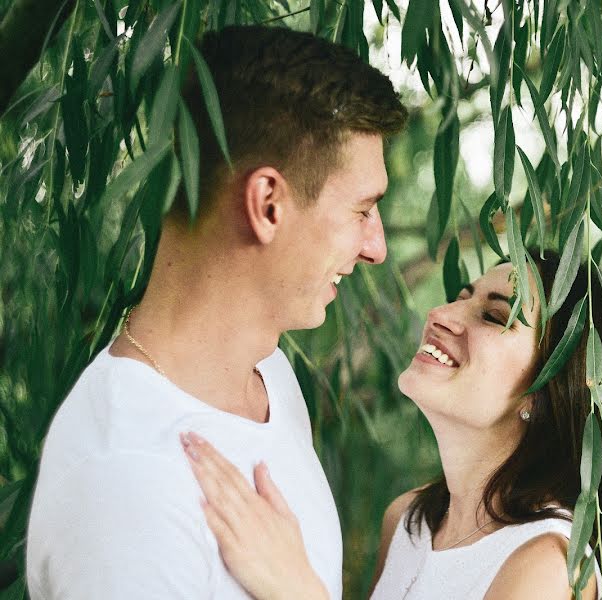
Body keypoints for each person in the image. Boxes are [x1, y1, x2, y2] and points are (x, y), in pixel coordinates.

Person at [26, 26, 407, 599]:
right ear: (268, 205)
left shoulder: (268, 375)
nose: (376, 248)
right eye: (362, 210)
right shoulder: (125, 485)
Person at [181, 250, 602, 599]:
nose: (441, 315)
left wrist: (295, 587)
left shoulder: (548, 567)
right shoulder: (407, 521)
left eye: (492, 316)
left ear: (548, 393)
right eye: (462, 297)